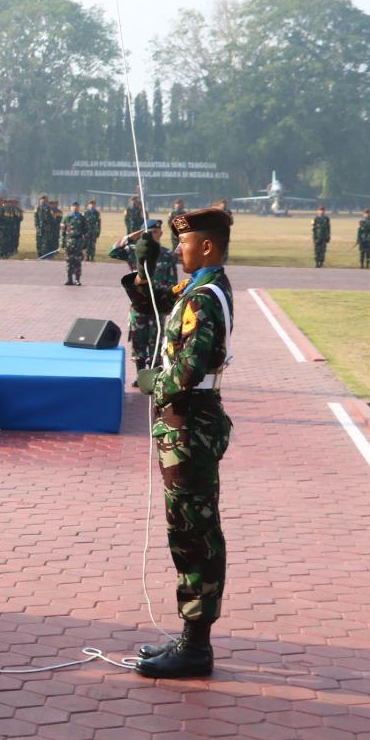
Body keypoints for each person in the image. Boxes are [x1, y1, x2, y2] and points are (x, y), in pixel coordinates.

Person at [127, 206, 235, 679]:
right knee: (187, 529)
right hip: (185, 424)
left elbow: (192, 367)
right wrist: (143, 268)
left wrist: (157, 385)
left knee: (194, 534)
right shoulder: (198, 288)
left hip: (190, 425)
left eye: (184, 244)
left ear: (206, 246)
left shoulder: (205, 296)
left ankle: (196, 646)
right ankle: (191, 636)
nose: (178, 250)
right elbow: (155, 303)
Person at [110, 220, 174, 376]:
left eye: (156, 232)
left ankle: (153, 376)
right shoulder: (135, 252)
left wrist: (170, 305)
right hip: (139, 303)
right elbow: (114, 250)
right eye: (150, 233)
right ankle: (140, 375)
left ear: (161, 233)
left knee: (157, 341)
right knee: (138, 341)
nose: (154, 235)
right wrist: (138, 234)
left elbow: (172, 282)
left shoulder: (166, 254)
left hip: (157, 305)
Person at [60, 201, 85, 285]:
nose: (75, 208)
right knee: (69, 261)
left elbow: (85, 231)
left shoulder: (81, 217)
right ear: (70, 207)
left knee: (77, 261)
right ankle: (69, 279)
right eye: (73, 206)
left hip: (78, 242)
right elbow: (62, 232)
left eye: (76, 206)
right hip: (69, 242)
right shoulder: (66, 217)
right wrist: (61, 244)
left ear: (79, 207)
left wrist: (84, 244)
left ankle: (77, 279)